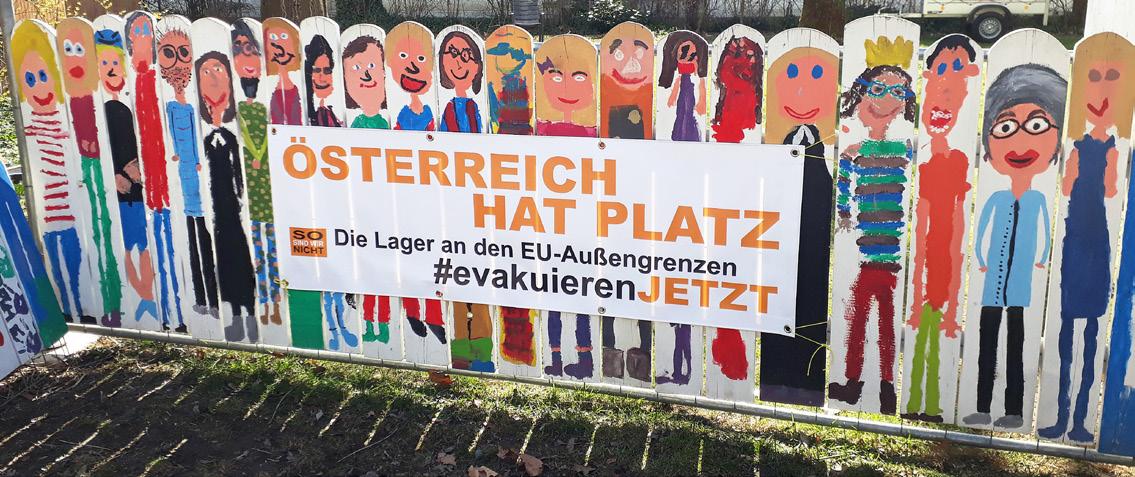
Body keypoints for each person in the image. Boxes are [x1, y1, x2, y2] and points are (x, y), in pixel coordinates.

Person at [1039, 38, 1135, 442]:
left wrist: (1099, 156)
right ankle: (1065, 417)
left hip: (1092, 244)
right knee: (1070, 333)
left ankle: (1077, 419)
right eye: (1094, 77)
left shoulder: (1109, 148)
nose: (1102, 89)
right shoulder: (1082, 148)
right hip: (1079, 243)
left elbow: (1107, 190)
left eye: (1112, 78)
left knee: (1089, 334)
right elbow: (1075, 187)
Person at [962, 64, 1066, 430]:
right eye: (1006, 127)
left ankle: (1014, 411)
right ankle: (981, 407)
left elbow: (1045, 235)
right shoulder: (996, 199)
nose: (1020, 142)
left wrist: (1040, 260)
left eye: (1036, 125)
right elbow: (981, 232)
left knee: (1017, 345)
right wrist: (981, 259)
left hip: (1021, 282)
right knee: (987, 343)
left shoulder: (1037, 200)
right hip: (992, 281)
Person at [827, 36, 917, 415]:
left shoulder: (900, 149)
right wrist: (845, 212)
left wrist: (846, 210)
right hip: (870, 251)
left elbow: (848, 191)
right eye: (878, 90)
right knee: (867, 318)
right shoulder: (857, 151)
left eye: (897, 92)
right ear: (862, 95)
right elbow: (844, 190)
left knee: (870, 319)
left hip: (883, 254)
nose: (886, 99)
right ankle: (873, 385)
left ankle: (872, 385)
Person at [903, 35, 978, 423]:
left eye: (958, 70)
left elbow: (958, 232)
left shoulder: (956, 162)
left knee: (933, 336)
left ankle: (930, 403)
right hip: (929, 263)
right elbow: (920, 231)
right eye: (942, 69)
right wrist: (917, 297)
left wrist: (948, 298)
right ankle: (919, 401)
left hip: (944, 265)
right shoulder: (930, 165)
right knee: (923, 340)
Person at [57, 19, 123, 327]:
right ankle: (107, 305)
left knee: (105, 228)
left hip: (103, 169)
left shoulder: (103, 102)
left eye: (79, 50)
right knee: (98, 229)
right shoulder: (72, 101)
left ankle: (115, 303)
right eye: (68, 51)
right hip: (86, 169)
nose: (74, 58)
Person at [96, 29, 158, 324]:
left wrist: (136, 171)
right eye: (104, 63)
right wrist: (116, 175)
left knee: (143, 245)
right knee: (125, 245)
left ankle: (147, 296)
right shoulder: (103, 110)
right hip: (119, 192)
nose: (111, 70)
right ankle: (137, 297)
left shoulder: (135, 104)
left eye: (115, 63)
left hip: (141, 189)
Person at [127, 11, 183, 331]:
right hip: (146, 180)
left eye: (146, 33)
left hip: (165, 175)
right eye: (137, 34)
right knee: (152, 243)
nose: (142, 40)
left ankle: (177, 310)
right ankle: (162, 311)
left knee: (170, 243)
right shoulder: (129, 83)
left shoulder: (158, 80)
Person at [196, 51, 257, 339]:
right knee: (223, 261)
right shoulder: (207, 139)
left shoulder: (233, 138)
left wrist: (243, 198)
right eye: (206, 73)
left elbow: (242, 175)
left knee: (242, 258)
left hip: (236, 210)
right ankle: (233, 314)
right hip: (216, 211)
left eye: (218, 70)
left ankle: (250, 311)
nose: (212, 79)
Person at [159, 27, 217, 324]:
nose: (177, 64)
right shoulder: (170, 106)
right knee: (192, 241)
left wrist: (196, 160)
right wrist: (176, 155)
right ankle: (200, 298)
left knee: (206, 240)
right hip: (181, 175)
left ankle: (213, 298)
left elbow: (197, 135)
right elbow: (171, 133)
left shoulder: (195, 107)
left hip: (198, 174)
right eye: (169, 55)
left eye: (183, 54)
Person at [233, 20, 281, 327]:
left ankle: (273, 303)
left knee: (272, 250)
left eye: (252, 51)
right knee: (259, 250)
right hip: (251, 193)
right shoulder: (239, 110)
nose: (248, 61)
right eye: (240, 52)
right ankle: (264, 304)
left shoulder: (265, 109)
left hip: (270, 191)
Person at [709, 35, 762, 143]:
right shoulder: (731, 68)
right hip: (731, 107)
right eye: (741, 50)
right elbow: (725, 74)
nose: (749, 59)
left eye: (750, 54)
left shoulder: (750, 78)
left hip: (744, 107)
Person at [658, 32, 707, 142]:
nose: (688, 57)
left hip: (690, 85)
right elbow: (676, 84)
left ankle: (688, 133)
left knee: (688, 111)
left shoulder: (695, 70)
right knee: (681, 111)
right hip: (684, 85)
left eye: (692, 55)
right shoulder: (678, 73)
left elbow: (700, 83)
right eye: (684, 53)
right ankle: (679, 134)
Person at [437, 29, 483, 133]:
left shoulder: (473, 107)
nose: (458, 63)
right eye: (453, 53)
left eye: (465, 55)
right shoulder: (450, 107)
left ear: (477, 66)